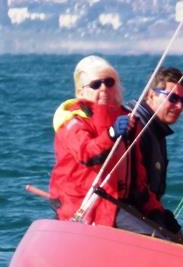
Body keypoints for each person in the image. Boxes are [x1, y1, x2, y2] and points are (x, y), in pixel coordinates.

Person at [49, 55, 175, 235]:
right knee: (153, 238)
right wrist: (111, 134)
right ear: (81, 91)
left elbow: (138, 178)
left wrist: (156, 211)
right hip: (83, 205)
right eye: (95, 84)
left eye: (109, 82)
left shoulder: (129, 121)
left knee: (167, 235)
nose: (104, 88)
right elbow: (87, 154)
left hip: (117, 204)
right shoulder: (74, 122)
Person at [127, 67, 183, 236]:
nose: (179, 106)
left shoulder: (156, 130)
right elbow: (132, 190)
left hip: (146, 214)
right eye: (172, 98)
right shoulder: (134, 127)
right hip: (130, 220)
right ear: (151, 95)